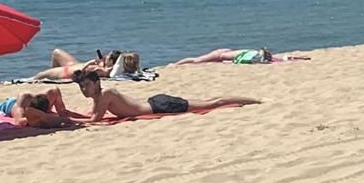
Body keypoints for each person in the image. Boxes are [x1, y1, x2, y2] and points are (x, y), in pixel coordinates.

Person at [72, 69, 258, 119]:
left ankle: (256, 100)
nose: (84, 90)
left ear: (97, 83)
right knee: (208, 101)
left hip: (159, 106)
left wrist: (65, 121)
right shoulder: (99, 96)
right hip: (155, 102)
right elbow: (93, 114)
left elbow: (95, 119)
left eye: (87, 85)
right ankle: (253, 99)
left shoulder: (106, 93)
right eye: (81, 87)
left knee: (213, 103)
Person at [168, 48, 277, 65]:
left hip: (224, 52)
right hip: (219, 54)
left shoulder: (252, 52)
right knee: (197, 60)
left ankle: (177, 63)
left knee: (198, 60)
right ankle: (177, 63)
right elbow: (239, 60)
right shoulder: (251, 54)